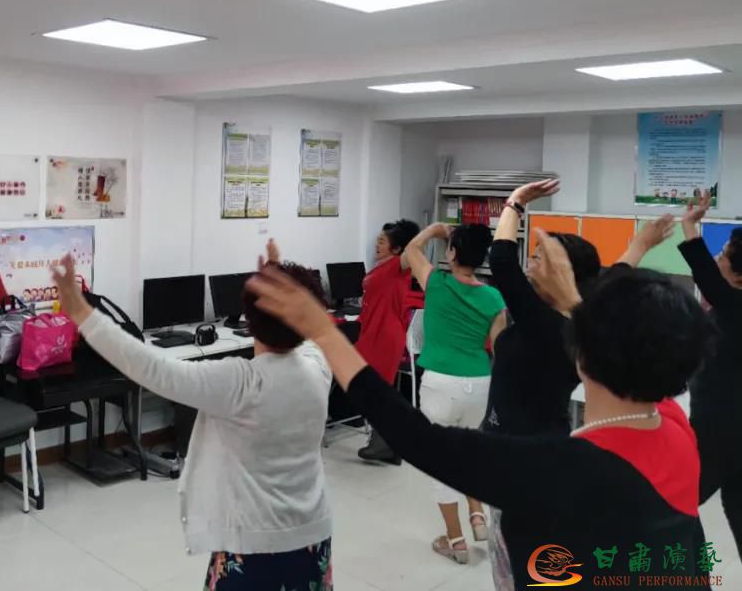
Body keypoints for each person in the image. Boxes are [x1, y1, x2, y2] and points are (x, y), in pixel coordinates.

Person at [247, 232, 714, 586]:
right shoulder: (676, 427)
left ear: (585, 351)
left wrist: (322, 332)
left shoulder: (554, 469)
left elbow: (416, 437)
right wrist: (588, 292)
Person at [50, 241, 333, 591]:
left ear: (250, 319)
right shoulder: (318, 366)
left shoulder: (242, 383)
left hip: (254, 545)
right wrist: (278, 281)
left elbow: (150, 367)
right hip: (313, 537)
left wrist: (81, 311)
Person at [484, 181, 673, 589]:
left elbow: (500, 258)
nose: (532, 264)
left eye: (539, 259)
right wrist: (640, 243)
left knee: (514, 559)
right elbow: (616, 273)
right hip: (549, 442)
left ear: (561, 273)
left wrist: (516, 202)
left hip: (516, 455)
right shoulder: (586, 317)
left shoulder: (542, 322)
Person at [401, 221, 506, 564]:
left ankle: (456, 540)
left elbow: (410, 251)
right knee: (469, 450)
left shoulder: (436, 283)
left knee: (441, 461)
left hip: (441, 384)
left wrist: (433, 230)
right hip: (480, 382)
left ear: (453, 252)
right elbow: (500, 348)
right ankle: (477, 514)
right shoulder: (494, 297)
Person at [676, 190, 742, 557]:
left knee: (673, 505)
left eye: (724, 256)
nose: (717, 259)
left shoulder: (733, 306)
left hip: (719, 429)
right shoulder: (730, 306)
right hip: (728, 428)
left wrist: (689, 224)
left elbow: (702, 270)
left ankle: (689, 575)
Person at [355, 219, 420, 464]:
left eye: (382, 241)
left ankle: (383, 444)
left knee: (377, 391)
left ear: (397, 248)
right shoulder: (381, 267)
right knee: (377, 390)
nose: (377, 244)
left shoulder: (398, 265)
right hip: (372, 331)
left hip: (385, 335)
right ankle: (389, 445)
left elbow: (413, 248)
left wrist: (432, 231)